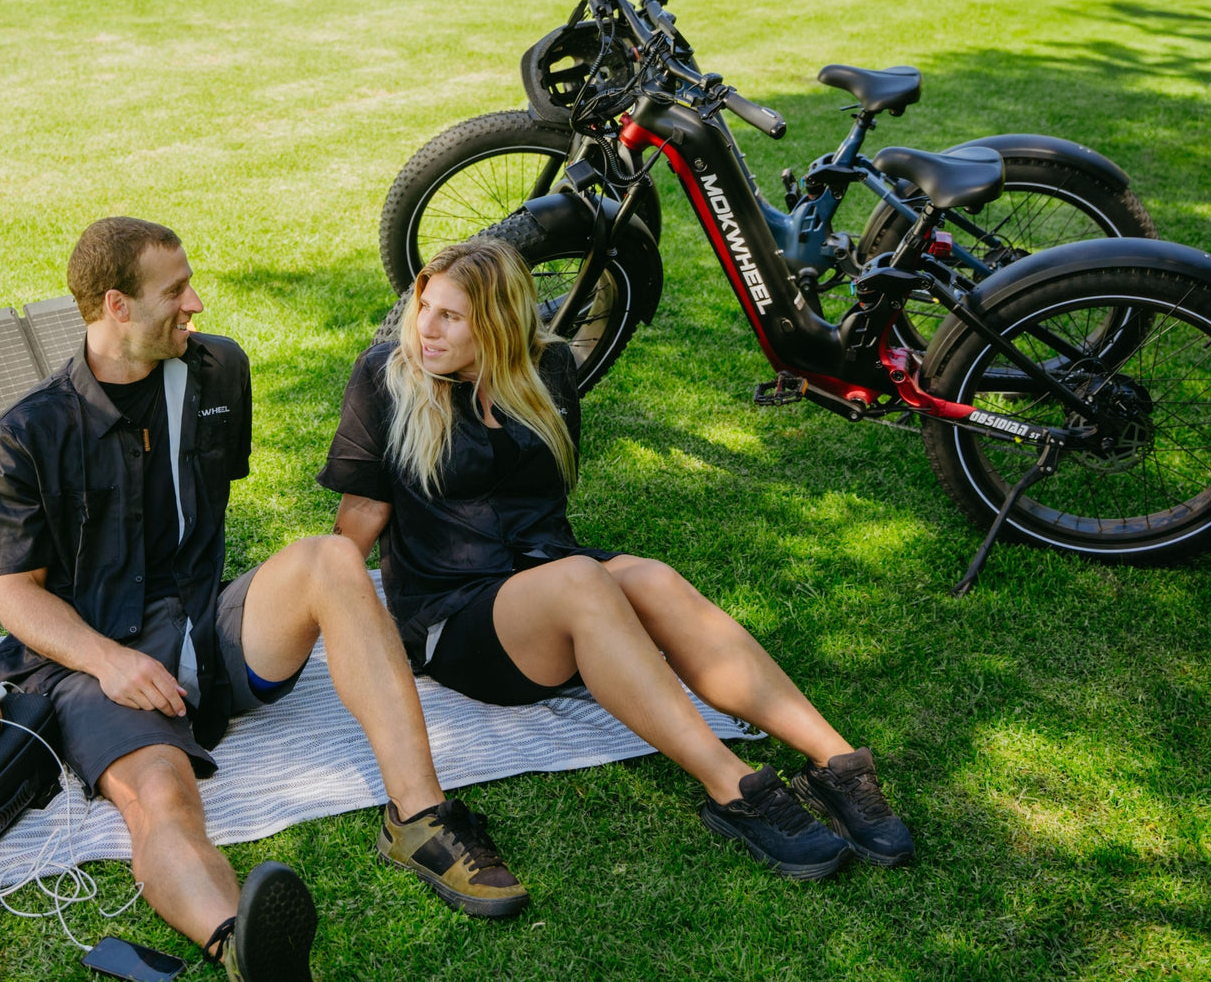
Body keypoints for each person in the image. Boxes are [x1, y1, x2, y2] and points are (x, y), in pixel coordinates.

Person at [0, 219, 530, 982]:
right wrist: (111, 662)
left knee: (333, 560)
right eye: (175, 292)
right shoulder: (27, 434)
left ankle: (419, 819)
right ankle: (241, 945)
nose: (196, 303)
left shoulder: (218, 374)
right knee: (162, 800)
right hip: (95, 665)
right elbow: (17, 600)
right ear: (115, 304)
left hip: (205, 630)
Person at [317, 238, 915, 880]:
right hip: (455, 618)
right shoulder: (386, 373)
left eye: (450, 316)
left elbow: (539, 502)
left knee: (650, 578)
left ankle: (835, 764)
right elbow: (363, 514)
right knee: (579, 580)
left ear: (496, 325)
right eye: (424, 307)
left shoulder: (545, 369)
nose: (425, 329)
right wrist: (339, 611)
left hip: (550, 580)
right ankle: (733, 788)